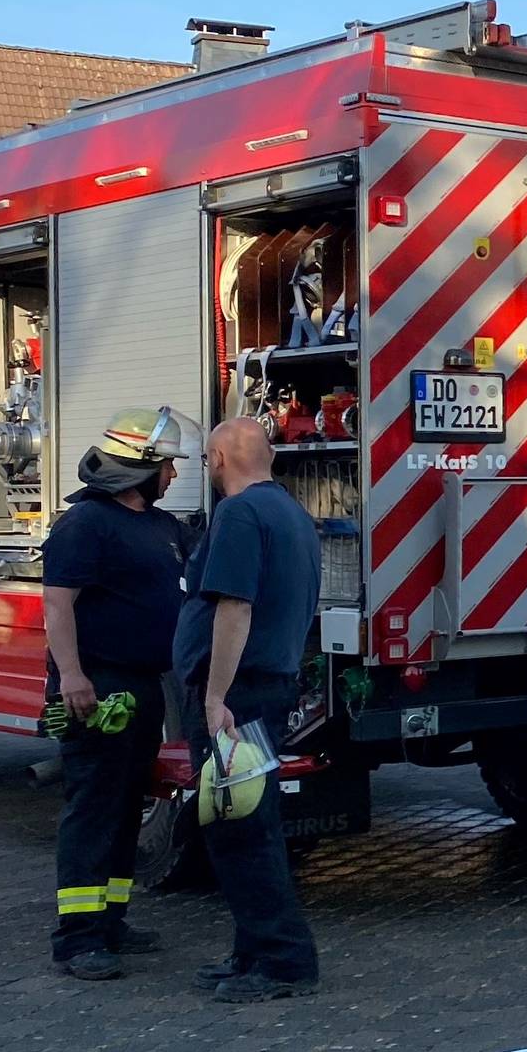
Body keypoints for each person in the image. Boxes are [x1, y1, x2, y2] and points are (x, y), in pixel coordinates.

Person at [173, 420, 325, 1003]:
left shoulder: (238, 515)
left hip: (237, 699)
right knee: (246, 822)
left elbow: (233, 608)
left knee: (240, 829)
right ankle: (252, 952)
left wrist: (214, 698)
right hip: (268, 685)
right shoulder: (289, 513)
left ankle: (283, 960)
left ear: (217, 459)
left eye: (206, 460)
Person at [42, 406, 195, 980]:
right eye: (168, 466)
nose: (174, 476)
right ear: (141, 466)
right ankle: (78, 938)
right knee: (94, 808)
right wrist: (74, 677)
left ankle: (111, 920)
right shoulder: (85, 525)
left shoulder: (160, 527)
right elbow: (59, 607)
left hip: (143, 687)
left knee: (129, 805)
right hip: (97, 688)